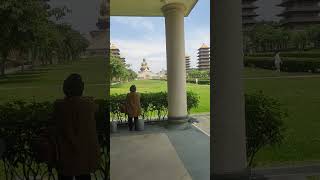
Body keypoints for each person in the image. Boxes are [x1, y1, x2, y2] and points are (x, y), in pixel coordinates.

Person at [53, 74, 100, 180]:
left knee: (65, 176)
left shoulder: (59, 105)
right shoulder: (88, 104)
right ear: (81, 88)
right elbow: (95, 107)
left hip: (65, 152)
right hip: (84, 151)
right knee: (84, 175)